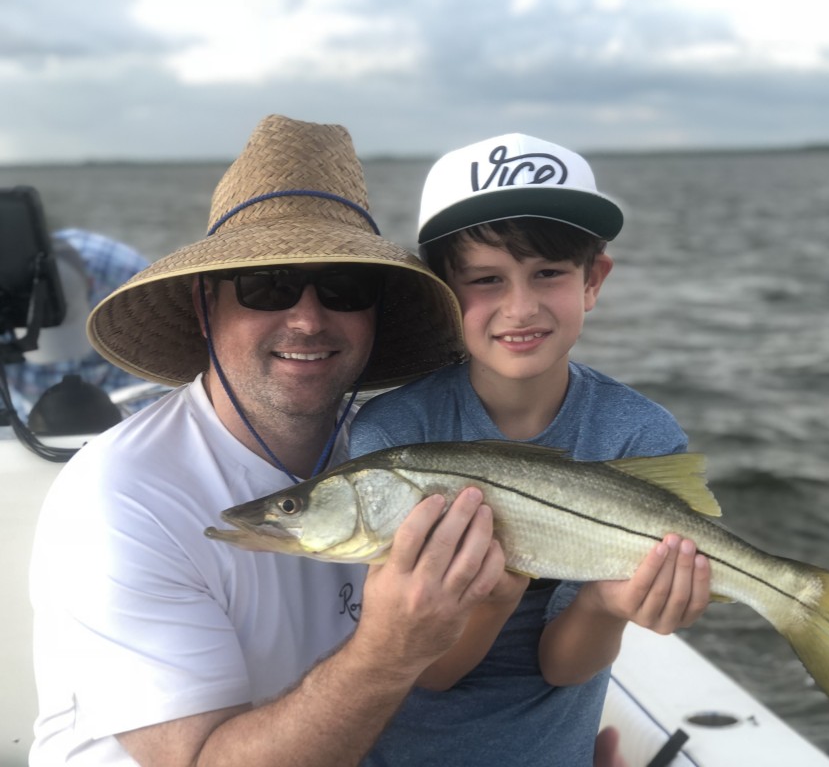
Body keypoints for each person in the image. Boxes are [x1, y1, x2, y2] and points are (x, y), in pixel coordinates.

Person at [28, 115, 505, 767]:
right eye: (268, 284)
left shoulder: (392, 448)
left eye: (344, 286)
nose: (308, 319)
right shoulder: (120, 496)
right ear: (206, 307)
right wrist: (389, 649)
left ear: (376, 312)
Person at [348, 133, 713, 765]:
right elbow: (428, 671)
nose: (521, 307)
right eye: (486, 280)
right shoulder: (392, 438)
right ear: (443, 292)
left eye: (549, 273)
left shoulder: (638, 434)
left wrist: (607, 603)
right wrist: (493, 598)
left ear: (593, 279)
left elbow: (564, 666)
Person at [4, 227, 155, 421]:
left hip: (119, 410)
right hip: (28, 410)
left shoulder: (133, 281)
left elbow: (153, 379)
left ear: (91, 284)